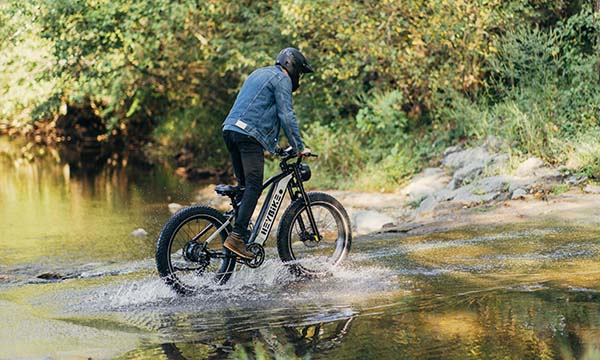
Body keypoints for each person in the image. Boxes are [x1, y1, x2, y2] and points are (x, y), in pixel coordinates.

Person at [221, 47, 314, 259]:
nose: (298, 78)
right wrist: (299, 147)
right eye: (299, 73)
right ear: (293, 68)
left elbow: (256, 110)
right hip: (248, 135)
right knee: (255, 185)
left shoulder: (258, 73)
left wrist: (275, 148)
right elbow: (286, 115)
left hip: (230, 130)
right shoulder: (282, 80)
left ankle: (234, 240)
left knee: (245, 187)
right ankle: (237, 237)